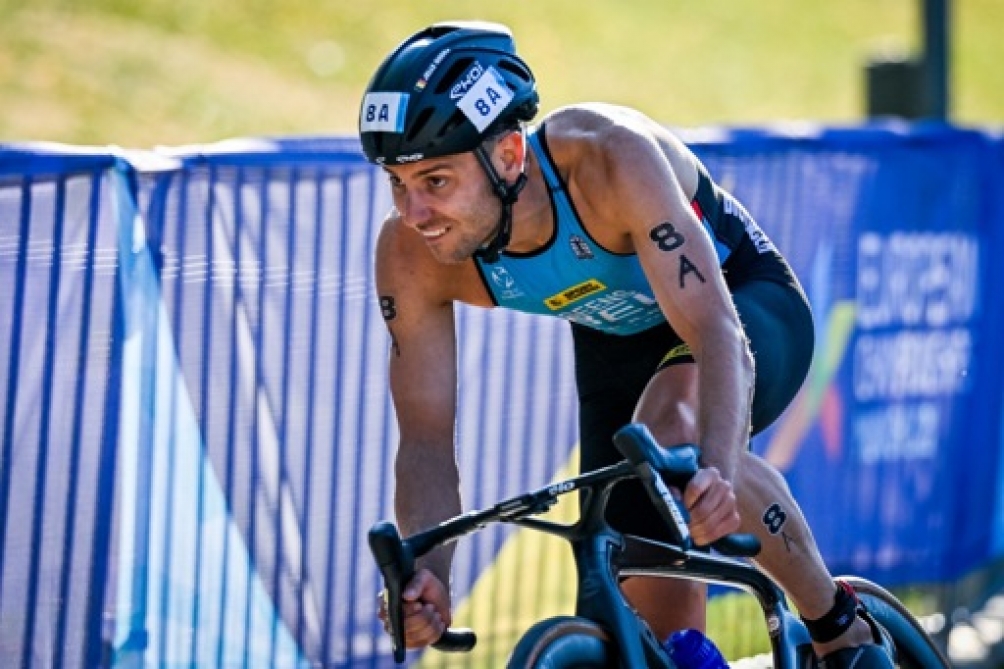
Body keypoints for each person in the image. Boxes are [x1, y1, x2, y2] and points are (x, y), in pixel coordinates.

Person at [360, 21, 894, 668]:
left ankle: (839, 624)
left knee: (671, 427)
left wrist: (718, 471)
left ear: (507, 156)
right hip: (615, 340)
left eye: (436, 182)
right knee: (651, 638)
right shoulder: (409, 253)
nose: (414, 213)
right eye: (398, 183)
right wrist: (429, 571)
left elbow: (717, 331)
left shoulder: (608, 159)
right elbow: (423, 438)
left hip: (736, 304)